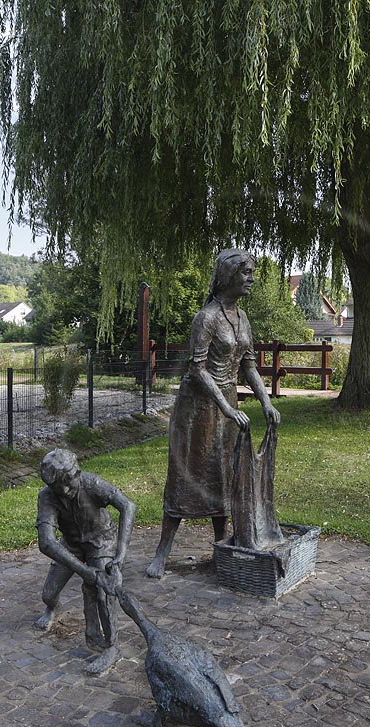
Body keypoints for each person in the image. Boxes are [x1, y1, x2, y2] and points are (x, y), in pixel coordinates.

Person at [146, 249, 280, 578]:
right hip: (198, 410)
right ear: (229, 275)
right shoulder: (206, 317)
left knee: (224, 475)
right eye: (246, 272)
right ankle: (163, 551)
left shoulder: (242, 318)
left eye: (252, 272)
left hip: (228, 407)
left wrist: (266, 402)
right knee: (186, 476)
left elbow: (248, 365)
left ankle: (221, 546)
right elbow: (197, 369)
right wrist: (225, 406)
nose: (251, 278)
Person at [35, 448, 135, 675]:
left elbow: (128, 506)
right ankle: (53, 608)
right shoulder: (47, 497)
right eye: (64, 483)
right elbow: (46, 543)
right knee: (48, 594)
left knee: (102, 589)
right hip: (72, 544)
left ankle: (111, 646)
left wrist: (120, 554)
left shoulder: (92, 483)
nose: (71, 487)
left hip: (101, 541)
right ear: (53, 485)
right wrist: (83, 570)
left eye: (73, 479)